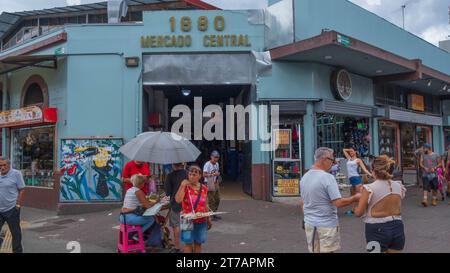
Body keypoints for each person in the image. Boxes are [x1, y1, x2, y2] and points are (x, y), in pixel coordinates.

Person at [300, 148, 361, 253]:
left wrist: (307, 217)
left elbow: (303, 202)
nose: (333, 163)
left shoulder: (305, 177)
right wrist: (355, 197)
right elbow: (338, 202)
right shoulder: (327, 177)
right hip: (326, 225)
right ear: (324, 159)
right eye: (332, 160)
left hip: (310, 224)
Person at [354, 155, 406, 253]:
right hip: (398, 226)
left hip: (376, 229)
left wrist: (355, 206)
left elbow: (358, 213)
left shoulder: (369, 188)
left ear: (373, 171)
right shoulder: (398, 186)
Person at [175, 165, 212, 253]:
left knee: (198, 242)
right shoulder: (185, 187)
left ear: (200, 176)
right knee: (188, 243)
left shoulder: (204, 188)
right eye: (190, 174)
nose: (191, 176)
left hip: (201, 220)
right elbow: (178, 200)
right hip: (187, 219)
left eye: (194, 174)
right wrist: (182, 185)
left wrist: (208, 219)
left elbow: (205, 204)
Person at [0, 157, 25, 253]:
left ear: (9, 165)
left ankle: (17, 251)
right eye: (0, 165)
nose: (2, 167)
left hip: (11, 209)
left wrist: (18, 205)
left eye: (4, 165)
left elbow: (22, 189)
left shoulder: (16, 174)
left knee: (15, 233)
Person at [164, 163, 188, 253]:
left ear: (173, 165)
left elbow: (168, 193)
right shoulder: (188, 174)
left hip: (175, 204)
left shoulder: (170, 176)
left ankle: (177, 247)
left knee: (176, 226)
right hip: (187, 204)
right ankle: (188, 246)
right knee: (187, 227)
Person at [343, 148, 372, 216]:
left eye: (352, 151)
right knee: (353, 196)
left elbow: (364, 169)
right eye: (350, 152)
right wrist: (349, 149)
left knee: (359, 195)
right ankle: (353, 210)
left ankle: (363, 210)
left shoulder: (358, 160)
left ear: (355, 152)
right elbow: (344, 150)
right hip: (351, 179)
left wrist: (370, 174)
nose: (350, 153)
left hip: (356, 178)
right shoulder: (349, 159)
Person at [203, 151, 221, 221]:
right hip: (208, 183)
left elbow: (217, 173)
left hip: (215, 183)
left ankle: (214, 213)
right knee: (211, 200)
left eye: (217, 157)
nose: (216, 159)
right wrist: (213, 175)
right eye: (215, 157)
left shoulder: (217, 164)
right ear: (211, 157)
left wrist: (217, 179)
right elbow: (204, 175)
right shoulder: (207, 164)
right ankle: (211, 215)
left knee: (217, 199)